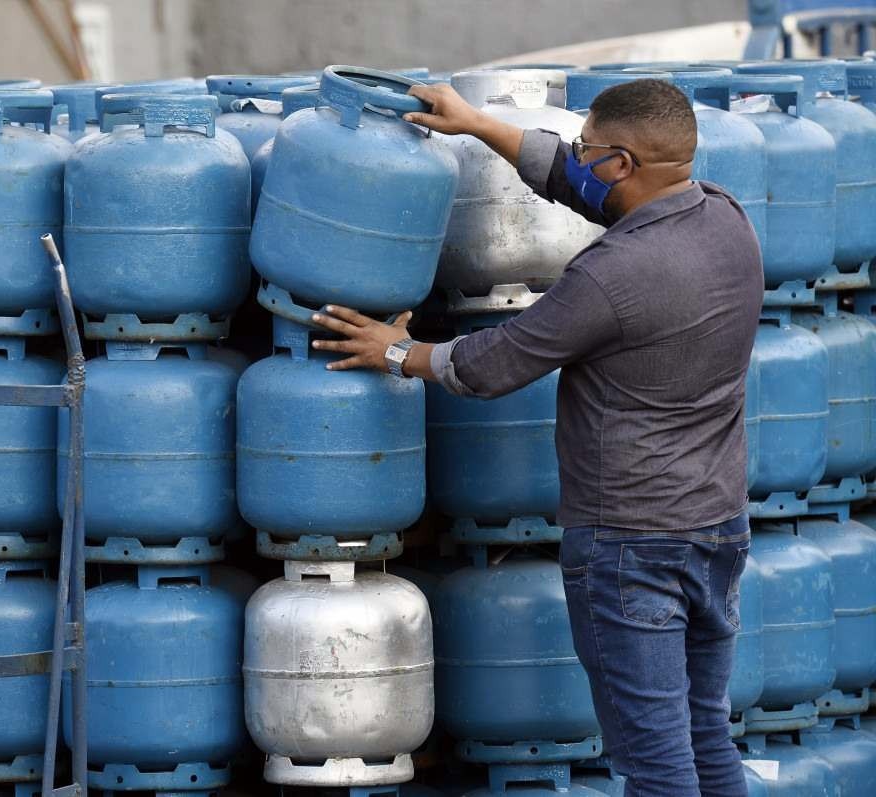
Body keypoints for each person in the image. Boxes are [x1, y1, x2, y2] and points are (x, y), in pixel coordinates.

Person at [310, 78, 763, 797]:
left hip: (632, 547)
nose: (576, 160)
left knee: (655, 762)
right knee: (704, 729)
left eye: (587, 149)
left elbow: (496, 363)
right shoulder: (728, 222)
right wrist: (475, 124)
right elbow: (584, 189)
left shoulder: (610, 277)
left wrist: (399, 351)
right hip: (716, 527)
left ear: (620, 163)